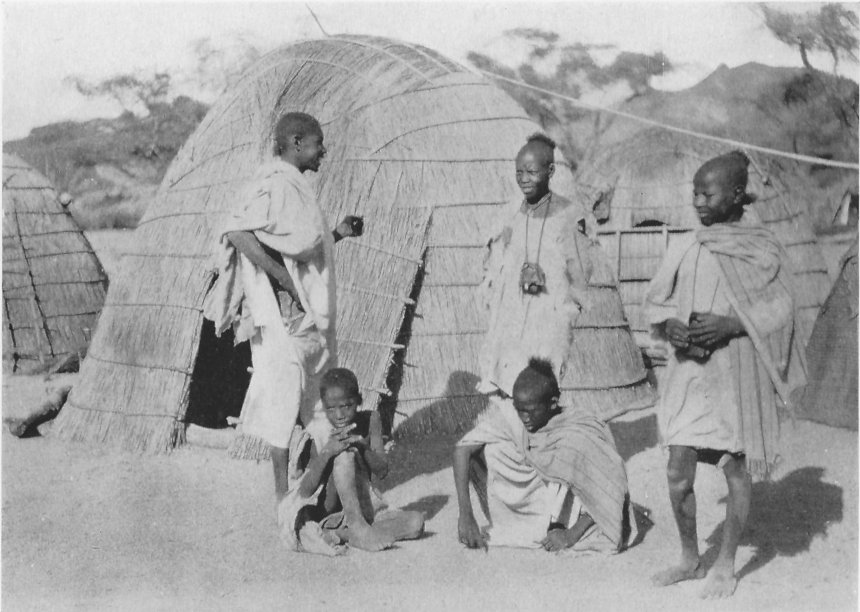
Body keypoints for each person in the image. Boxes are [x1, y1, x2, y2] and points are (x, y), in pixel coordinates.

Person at [644, 151, 806, 599]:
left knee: (735, 467)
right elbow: (655, 301)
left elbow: (783, 308)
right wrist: (669, 325)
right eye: (694, 193)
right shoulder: (686, 245)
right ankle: (689, 557)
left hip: (735, 375)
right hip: (687, 374)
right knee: (678, 470)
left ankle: (726, 562)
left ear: (736, 194)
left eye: (708, 194)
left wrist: (732, 325)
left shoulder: (762, 247)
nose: (698, 201)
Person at [203, 112, 364, 504]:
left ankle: (334, 489)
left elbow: (298, 248)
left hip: (308, 319)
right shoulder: (274, 183)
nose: (323, 151)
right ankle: (282, 496)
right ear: (296, 142)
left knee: (317, 400)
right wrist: (282, 278)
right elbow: (237, 231)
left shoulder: (295, 188)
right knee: (282, 401)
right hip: (285, 320)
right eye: (317, 143)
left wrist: (337, 233)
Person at [454, 358, 636, 553]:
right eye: (519, 409)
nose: (524, 418)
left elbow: (611, 485)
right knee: (487, 448)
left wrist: (571, 535)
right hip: (528, 500)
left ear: (553, 403)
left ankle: (561, 525)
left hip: (567, 510)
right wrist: (465, 515)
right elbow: (461, 450)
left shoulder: (577, 431)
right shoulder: (513, 417)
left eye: (530, 412)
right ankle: (518, 522)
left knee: (574, 455)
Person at [477, 132, 606, 399]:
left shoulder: (570, 216)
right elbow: (494, 262)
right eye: (519, 172)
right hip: (511, 316)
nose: (524, 178)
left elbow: (581, 274)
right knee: (506, 387)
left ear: (550, 171)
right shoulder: (510, 214)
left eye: (532, 172)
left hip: (548, 317)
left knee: (540, 390)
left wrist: (549, 279)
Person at [277, 368, 425, 554]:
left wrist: (362, 447)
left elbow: (382, 470)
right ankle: (357, 529)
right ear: (323, 406)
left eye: (346, 406)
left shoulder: (371, 420)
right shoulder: (319, 432)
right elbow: (305, 491)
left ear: (359, 400)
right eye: (331, 408)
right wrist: (327, 452)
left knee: (416, 523)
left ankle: (345, 534)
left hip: (364, 508)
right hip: (330, 512)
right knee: (344, 455)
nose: (339, 415)